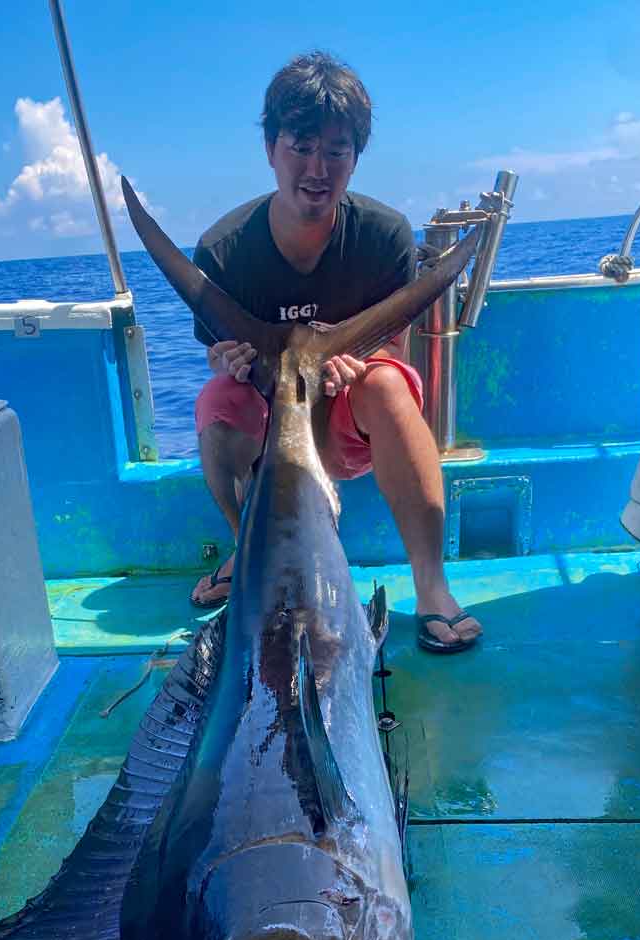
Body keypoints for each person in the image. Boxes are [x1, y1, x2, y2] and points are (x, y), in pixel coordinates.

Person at [188, 51, 482, 654]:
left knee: (388, 384)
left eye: (337, 150)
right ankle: (247, 549)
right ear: (270, 148)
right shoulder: (222, 250)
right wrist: (231, 361)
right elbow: (217, 354)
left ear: (356, 156)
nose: (318, 167)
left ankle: (431, 586)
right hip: (271, 428)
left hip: (346, 423)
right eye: (300, 145)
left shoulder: (384, 236)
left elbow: (393, 348)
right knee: (218, 401)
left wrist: (353, 369)